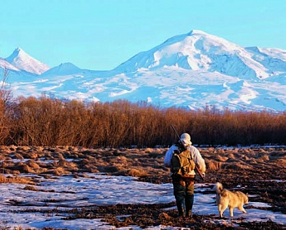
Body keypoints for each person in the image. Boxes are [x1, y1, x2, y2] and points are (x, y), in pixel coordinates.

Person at [164, 133, 206, 218]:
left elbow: (166, 162)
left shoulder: (173, 148)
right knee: (189, 194)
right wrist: (202, 171)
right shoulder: (193, 149)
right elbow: (200, 163)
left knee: (180, 194)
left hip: (177, 176)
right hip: (190, 176)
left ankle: (181, 214)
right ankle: (189, 213)